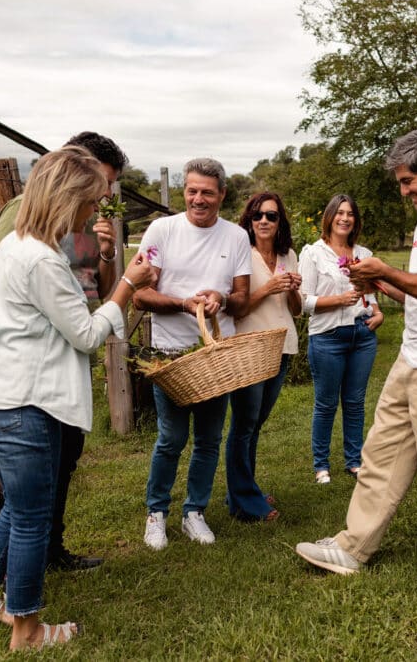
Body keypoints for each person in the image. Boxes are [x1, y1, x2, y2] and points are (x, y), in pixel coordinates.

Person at [0, 146, 154, 649]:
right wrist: (128, 285)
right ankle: (26, 629)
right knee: (31, 518)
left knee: (16, 508)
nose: (93, 213)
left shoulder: (15, 246)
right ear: (68, 198)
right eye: (90, 201)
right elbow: (87, 335)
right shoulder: (43, 260)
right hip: (22, 405)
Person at [295, 129, 417, 575]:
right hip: (415, 356)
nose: (404, 191)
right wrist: (381, 285)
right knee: (380, 454)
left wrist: (387, 269)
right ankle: (353, 547)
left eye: (408, 181)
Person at [0, 131, 127, 572]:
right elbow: (39, 294)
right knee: (32, 489)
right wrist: (124, 291)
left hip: (61, 366)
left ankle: (48, 550)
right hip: (31, 375)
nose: (104, 199)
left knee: (63, 464)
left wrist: (105, 254)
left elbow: (90, 293)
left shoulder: (80, 224)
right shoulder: (24, 219)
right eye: (102, 186)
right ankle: (25, 563)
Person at [135, 158, 251, 549]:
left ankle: (194, 512)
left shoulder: (235, 236)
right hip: (171, 354)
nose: (198, 199)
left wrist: (220, 297)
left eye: (207, 192)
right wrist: (183, 304)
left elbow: (243, 299)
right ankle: (156, 513)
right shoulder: (162, 230)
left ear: (221, 195)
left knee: (208, 439)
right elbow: (140, 295)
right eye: (192, 191)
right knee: (170, 437)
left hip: (216, 355)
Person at [225, 192, 302, 521]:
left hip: (282, 346)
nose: (264, 221)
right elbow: (236, 309)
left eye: (271, 216)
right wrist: (268, 288)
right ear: (249, 220)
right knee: (243, 427)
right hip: (249, 348)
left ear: (279, 220)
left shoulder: (289, 254)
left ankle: (242, 494)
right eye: (257, 215)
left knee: (255, 426)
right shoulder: (243, 254)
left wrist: (293, 288)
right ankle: (249, 503)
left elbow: (297, 310)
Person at [297, 194, 382, 485]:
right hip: (328, 337)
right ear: (330, 217)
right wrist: (337, 300)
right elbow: (302, 302)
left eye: (350, 214)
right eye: (340, 213)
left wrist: (378, 314)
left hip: (362, 336)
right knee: (326, 404)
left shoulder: (365, 255)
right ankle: (321, 465)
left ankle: (354, 461)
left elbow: (370, 296)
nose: (345, 218)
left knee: (356, 402)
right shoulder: (313, 253)